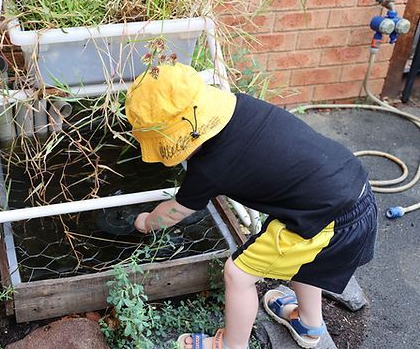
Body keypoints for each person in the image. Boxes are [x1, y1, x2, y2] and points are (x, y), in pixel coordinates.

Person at [124, 63, 378, 349]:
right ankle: (308, 324)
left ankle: (232, 345)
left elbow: (177, 210)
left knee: (238, 274)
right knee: (307, 261)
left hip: (325, 222)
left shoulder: (209, 168)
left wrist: (146, 222)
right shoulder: (241, 105)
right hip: (352, 192)